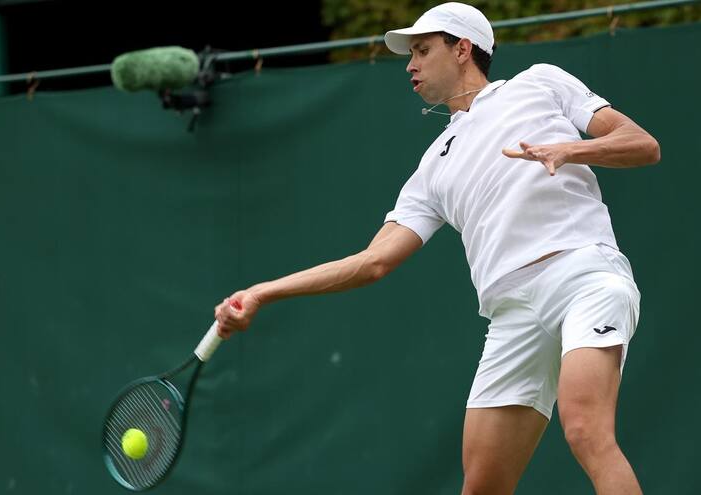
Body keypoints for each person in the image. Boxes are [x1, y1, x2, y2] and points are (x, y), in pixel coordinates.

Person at [215, 3, 660, 494]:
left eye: (423, 50)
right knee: (482, 486)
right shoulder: (432, 167)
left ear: (463, 49)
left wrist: (569, 149)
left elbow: (641, 144)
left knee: (586, 432)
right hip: (511, 313)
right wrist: (264, 291)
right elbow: (372, 262)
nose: (410, 64)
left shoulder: (540, 83)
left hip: (582, 278)